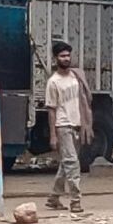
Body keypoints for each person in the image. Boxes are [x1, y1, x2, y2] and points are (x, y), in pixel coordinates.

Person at [44, 41, 94, 213]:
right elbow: (51, 110)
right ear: (56, 58)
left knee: (67, 163)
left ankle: (53, 198)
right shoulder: (53, 82)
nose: (66, 59)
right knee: (72, 163)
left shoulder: (76, 76)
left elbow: (85, 100)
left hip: (79, 124)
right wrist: (53, 135)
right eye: (62, 56)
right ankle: (75, 201)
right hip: (63, 125)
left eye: (68, 55)